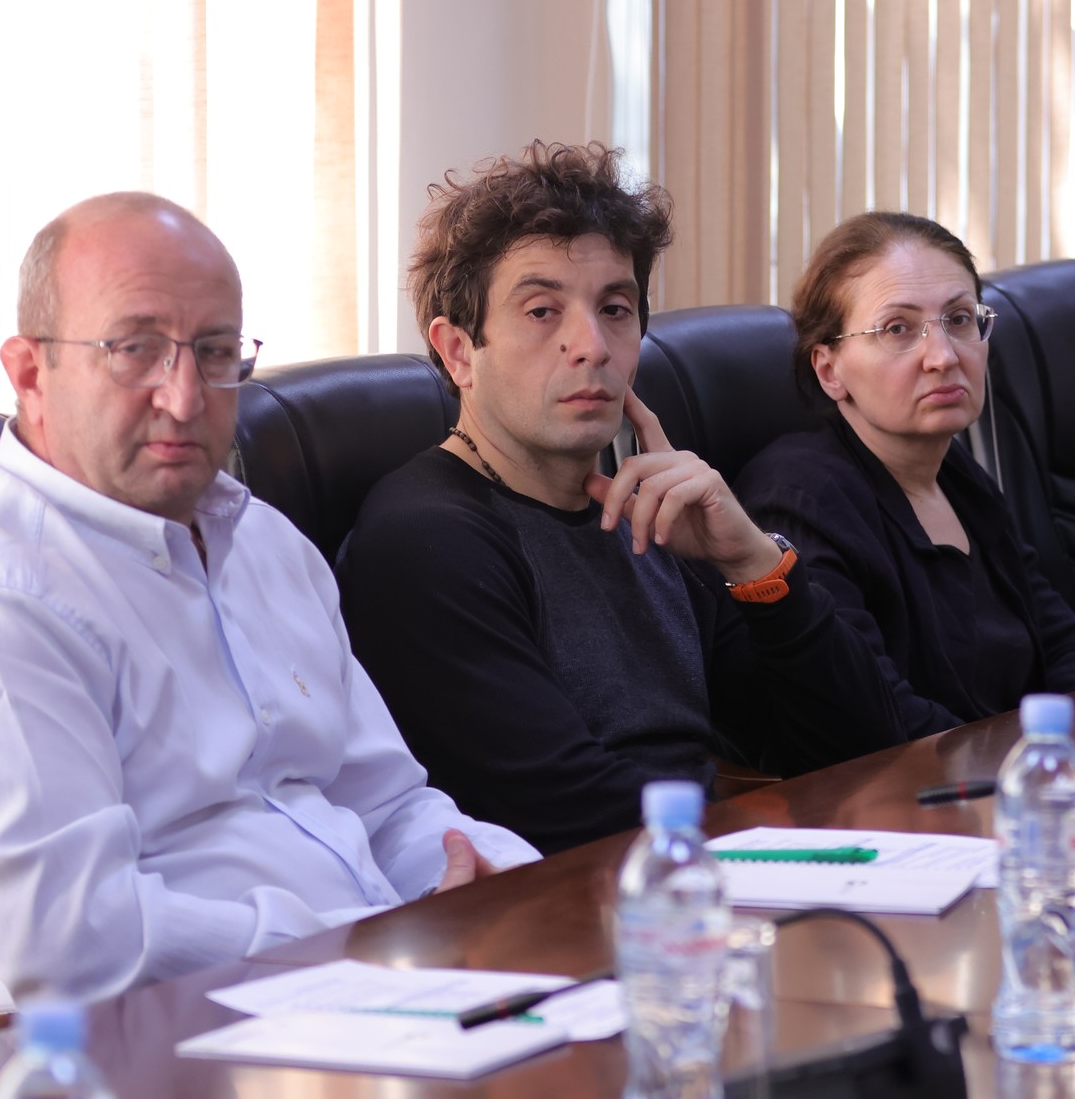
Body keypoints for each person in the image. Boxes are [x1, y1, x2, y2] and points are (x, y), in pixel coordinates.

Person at [0, 194, 538, 1009]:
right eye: (135, 349)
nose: (185, 398)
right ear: (30, 374)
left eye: (215, 351)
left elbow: (388, 802)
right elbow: (84, 945)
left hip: (365, 994)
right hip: (139, 1044)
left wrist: (510, 884)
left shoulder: (261, 542)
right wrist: (372, 940)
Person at [338, 143, 904, 854]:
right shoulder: (424, 541)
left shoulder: (651, 511)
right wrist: (769, 840)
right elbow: (564, 812)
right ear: (458, 352)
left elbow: (862, 749)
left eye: (615, 308)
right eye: (542, 311)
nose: (592, 345)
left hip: (699, 872)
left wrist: (754, 565)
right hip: (574, 900)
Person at [733, 212, 1075, 743]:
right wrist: (1023, 760)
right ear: (829, 370)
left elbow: (1064, 636)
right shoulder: (799, 503)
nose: (943, 356)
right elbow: (878, 719)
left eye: (959, 319)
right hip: (923, 785)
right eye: (898, 329)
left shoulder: (955, 473)